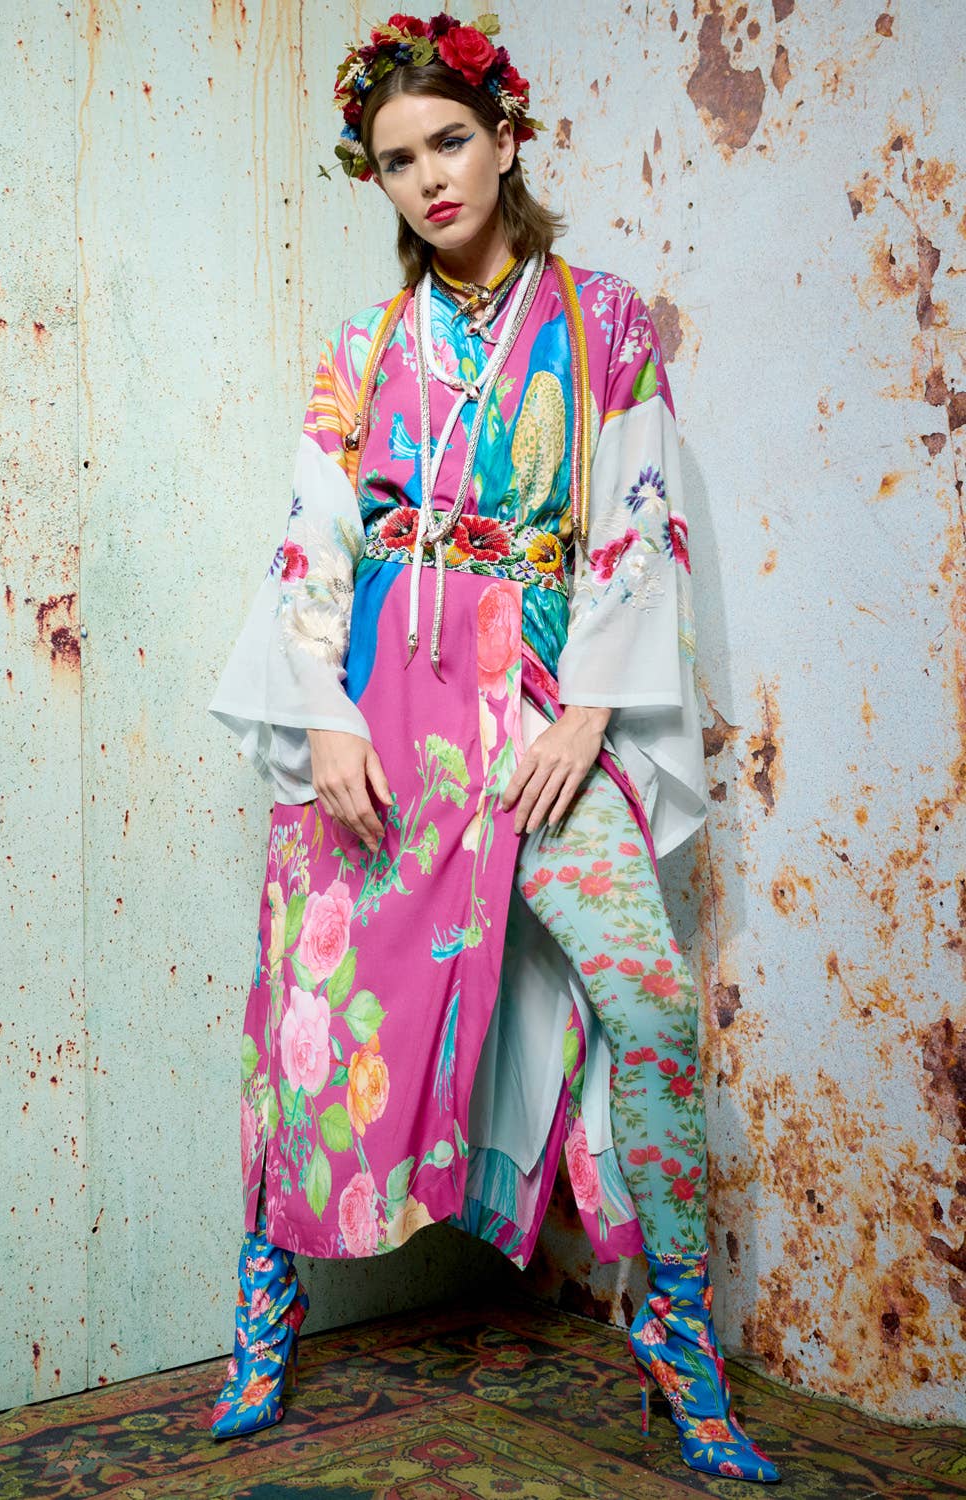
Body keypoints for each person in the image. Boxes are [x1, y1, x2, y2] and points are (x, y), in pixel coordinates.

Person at [206, 10, 781, 1484]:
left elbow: (636, 519)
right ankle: (266, 1301)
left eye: (449, 141)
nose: (428, 179)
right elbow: (312, 538)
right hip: (387, 717)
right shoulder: (368, 347)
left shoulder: (606, 321)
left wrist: (589, 707)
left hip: (539, 714)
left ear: (505, 136)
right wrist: (324, 716)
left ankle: (675, 1332)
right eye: (398, 161)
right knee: (314, 1015)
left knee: (648, 1007)